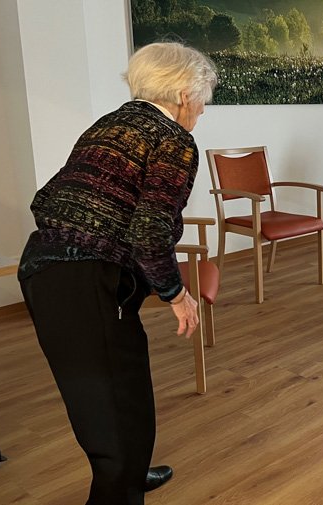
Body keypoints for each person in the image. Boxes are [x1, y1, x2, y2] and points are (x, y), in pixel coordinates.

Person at [17, 42, 217, 504]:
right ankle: (119, 488)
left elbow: (45, 200)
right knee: (121, 407)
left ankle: (128, 474)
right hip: (87, 281)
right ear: (185, 94)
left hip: (42, 270)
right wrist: (175, 293)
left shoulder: (109, 124)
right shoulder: (173, 139)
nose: (203, 111)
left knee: (99, 403)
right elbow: (151, 229)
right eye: (204, 100)